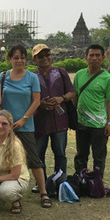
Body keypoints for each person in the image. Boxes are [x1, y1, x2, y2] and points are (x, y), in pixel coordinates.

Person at [0, 44, 51, 208]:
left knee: (34, 159)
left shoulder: (31, 78)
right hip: (5, 127)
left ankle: (43, 192)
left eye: (22, 57)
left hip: (25, 125)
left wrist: (23, 119)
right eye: (16, 57)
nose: (19, 60)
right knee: (6, 160)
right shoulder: (3, 76)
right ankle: (12, 196)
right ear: (9, 59)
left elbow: (36, 101)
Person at [32, 44, 75, 186]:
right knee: (39, 154)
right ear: (34, 60)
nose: (45, 58)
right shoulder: (32, 77)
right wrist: (40, 103)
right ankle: (42, 183)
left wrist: (61, 98)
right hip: (40, 121)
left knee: (61, 154)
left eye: (47, 55)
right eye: (40, 56)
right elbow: (29, 98)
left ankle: (60, 183)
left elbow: (71, 92)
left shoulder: (60, 72)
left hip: (59, 120)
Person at [73, 44, 110, 178]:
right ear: (86, 57)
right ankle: (81, 179)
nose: (94, 58)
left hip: (99, 125)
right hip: (81, 123)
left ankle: (97, 181)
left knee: (99, 156)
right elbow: (75, 96)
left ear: (103, 58)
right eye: (91, 55)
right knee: (81, 154)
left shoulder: (108, 79)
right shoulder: (80, 75)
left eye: (97, 55)